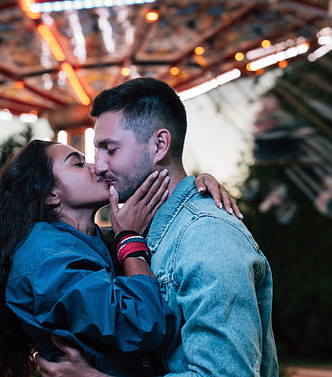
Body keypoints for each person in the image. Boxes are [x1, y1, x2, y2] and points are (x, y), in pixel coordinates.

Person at [38, 77, 279, 377]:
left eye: (110, 149)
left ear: (160, 145)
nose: (99, 166)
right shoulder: (139, 233)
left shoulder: (209, 236)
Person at [0, 138, 239, 377]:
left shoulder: (89, 241)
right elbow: (145, 324)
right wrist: (130, 238)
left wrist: (195, 188)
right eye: (78, 164)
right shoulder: (47, 261)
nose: (97, 167)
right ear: (51, 194)